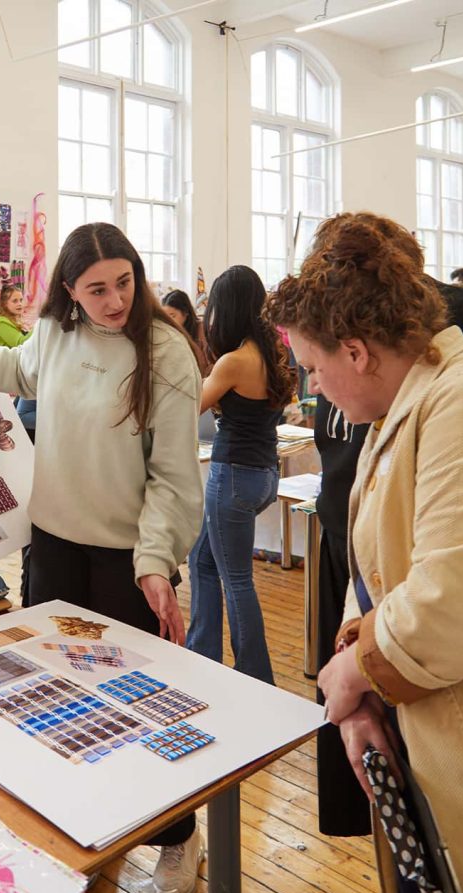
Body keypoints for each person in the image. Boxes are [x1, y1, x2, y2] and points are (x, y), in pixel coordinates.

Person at [0, 222, 206, 893]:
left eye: (124, 282)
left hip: (127, 559)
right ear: (69, 290)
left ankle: (177, 835)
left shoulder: (166, 352)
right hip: (53, 547)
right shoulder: (56, 333)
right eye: (97, 289)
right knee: (57, 699)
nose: (115, 301)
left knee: (138, 706)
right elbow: (17, 368)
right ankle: (92, 831)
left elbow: (174, 476)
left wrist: (156, 561)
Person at [266, 212, 463, 893]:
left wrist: (354, 670)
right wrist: (361, 685)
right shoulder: (404, 407)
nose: (314, 387)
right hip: (423, 719)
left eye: (313, 367)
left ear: (357, 352)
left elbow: (452, 600)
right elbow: (369, 571)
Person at [186, 266, 295, 683]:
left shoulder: (234, 361)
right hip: (264, 474)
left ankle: (255, 675)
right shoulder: (271, 354)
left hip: (233, 475)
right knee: (202, 560)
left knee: (237, 581)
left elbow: (190, 406)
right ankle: (202, 654)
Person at [162, 289, 212, 375]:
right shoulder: (169, 333)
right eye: (166, 317)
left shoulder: (203, 329)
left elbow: (212, 364)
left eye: (173, 316)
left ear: (185, 312)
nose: (169, 321)